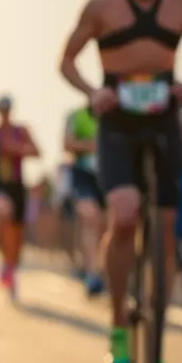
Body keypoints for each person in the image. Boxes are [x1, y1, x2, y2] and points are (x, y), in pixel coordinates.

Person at [58, 0, 182, 363]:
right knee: (123, 216)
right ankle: (120, 326)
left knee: (164, 232)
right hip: (118, 122)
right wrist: (93, 93)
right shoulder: (102, 6)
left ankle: (157, 354)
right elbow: (67, 60)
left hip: (163, 118)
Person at [0, 95, 39, 299]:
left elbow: (37, 151)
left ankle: (11, 265)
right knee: (4, 215)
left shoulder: (21, 132)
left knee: (17, 231)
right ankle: (5, 260)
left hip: (17, 185)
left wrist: (16, 149)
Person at [64, 103, 107, 295]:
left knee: (106, 226)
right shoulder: (77, 116)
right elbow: (67, 144)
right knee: (89, 218)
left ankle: (102, 270)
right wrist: (93, 146)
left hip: (110, 175)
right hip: (83, 174)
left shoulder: (116, 114)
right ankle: (91, 273)